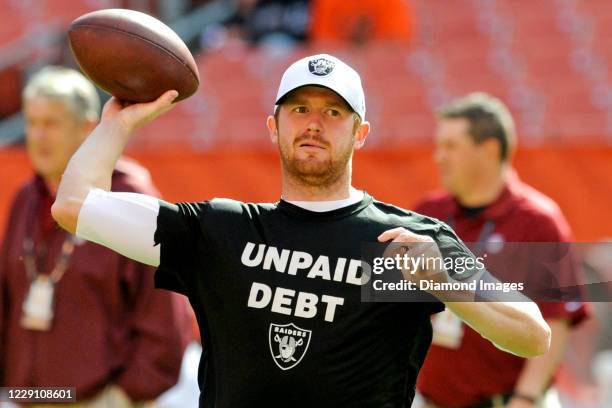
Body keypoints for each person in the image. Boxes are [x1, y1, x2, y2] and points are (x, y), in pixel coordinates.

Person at [50, 54, 551, 407]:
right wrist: (117, 124)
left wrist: (442, 284)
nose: (314, 123)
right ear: (274, 125)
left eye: (333, 112)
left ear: (360, 133)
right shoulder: (221, 230)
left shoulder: (411, 239)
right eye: (299, 109)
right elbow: (74, 206)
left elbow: (532, 334)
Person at [0, 66, 192, 407]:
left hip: (103, 400)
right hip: (29, 397)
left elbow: (166, 313)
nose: (38, 136)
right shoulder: (26, 197)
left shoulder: (130, 195)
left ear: (88, 128)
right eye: (32, 122)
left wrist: (123, 398)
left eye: (52, 124)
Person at [413, 93, 589, 408]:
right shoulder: (428, 212)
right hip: (433, 400)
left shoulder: (538, 221)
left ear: (489, 149)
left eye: (451, 146)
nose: (438, 157)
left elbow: (558, 320)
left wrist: (525, 397)